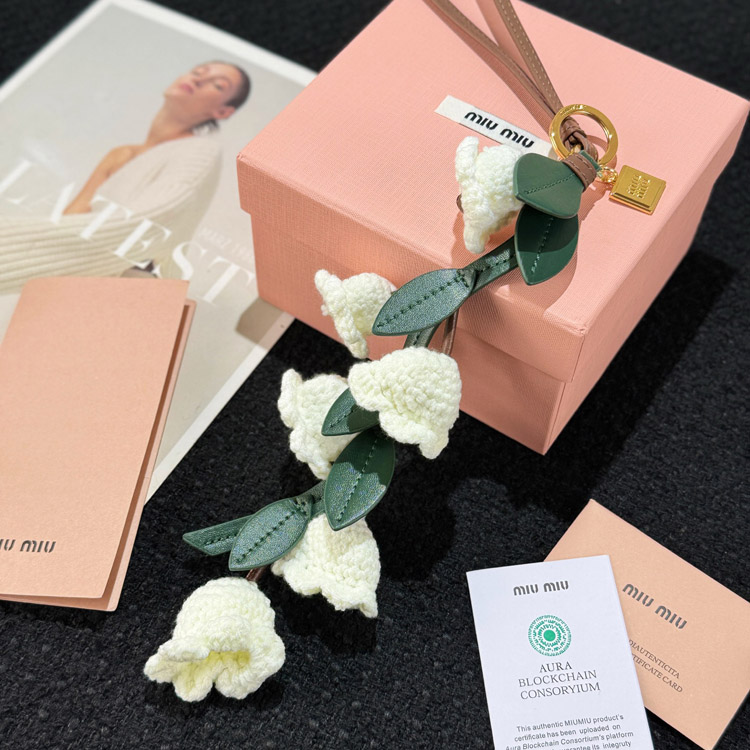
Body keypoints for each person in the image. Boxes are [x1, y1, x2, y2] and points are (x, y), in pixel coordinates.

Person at [0, 61, 251, 293]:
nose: (198, 79)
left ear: (223, 111)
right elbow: (71, 218)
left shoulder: (201, 151)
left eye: (218, 85)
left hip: (125, 293)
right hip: (70, 285)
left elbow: (148, 223)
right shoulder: (121, 154)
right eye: (198, 71)